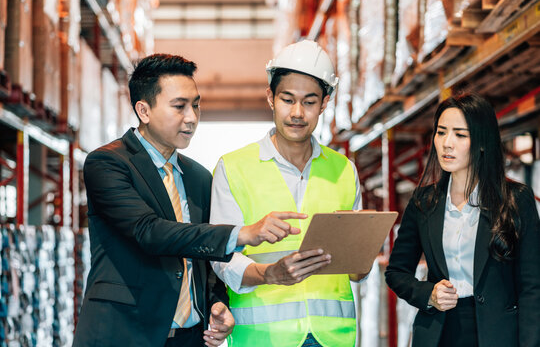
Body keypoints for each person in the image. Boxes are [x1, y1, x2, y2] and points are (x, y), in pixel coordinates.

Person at [73, 54, 305, 347]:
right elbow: (149, 231)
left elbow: (202, 256)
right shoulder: (107, 163)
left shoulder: (198, 177)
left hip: (191, 338)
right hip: (125, 333)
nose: (192, 117)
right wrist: (242, 233)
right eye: (179, 106)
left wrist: (217, 304)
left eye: (196, 105)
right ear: (144, 110)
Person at [210, 40, 365, 347]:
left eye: (309, 102)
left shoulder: (344, 170)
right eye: (287, 99)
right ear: (271, 97)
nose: (297, 113)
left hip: (332, 338)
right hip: (264, 339)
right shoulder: (233, 167)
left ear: (325, 103)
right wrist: (270, 274)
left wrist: (360, 261)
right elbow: (221, 258)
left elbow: (356, 269)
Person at [385, 93, 540, 347]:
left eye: (460, 134)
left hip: (497, 335)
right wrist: (428, 294)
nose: (447, 143)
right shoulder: (424, 202)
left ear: (481, 142)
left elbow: (533, 287)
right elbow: (397, 272)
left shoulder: (515, 200)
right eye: (441, 132)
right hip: (438, 334)